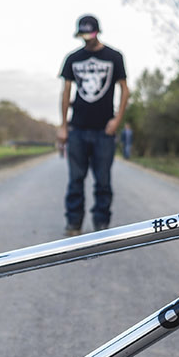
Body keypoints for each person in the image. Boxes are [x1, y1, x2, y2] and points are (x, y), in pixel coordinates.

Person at [58, 14, 130, 235]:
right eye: (83, 34)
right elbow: (66, 92)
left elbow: (125, 90)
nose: (86, 38)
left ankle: (101, 225)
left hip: (104, 131)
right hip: (77, 129)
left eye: (89, 33)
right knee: (75, 180)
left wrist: (117, 120)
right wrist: (63, 126)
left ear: (97, 32)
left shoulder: (114, 56)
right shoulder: (73, 58)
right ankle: (74, 224)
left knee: (103, 181)